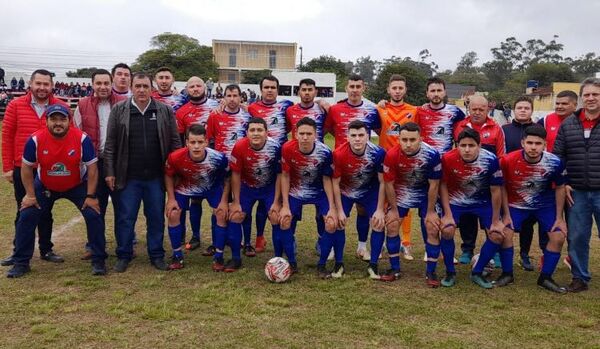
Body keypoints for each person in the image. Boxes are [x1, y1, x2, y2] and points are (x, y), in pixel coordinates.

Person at [7, 104, 108, 278]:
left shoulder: (82, 139)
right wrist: (30, 195)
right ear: (46, 121)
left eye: (62, 119)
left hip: (76, 184)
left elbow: (92, 169)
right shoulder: (35, 139)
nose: (58, 123)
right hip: (45, 184)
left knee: (93, 213)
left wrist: (91, 196)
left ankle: (98, 259)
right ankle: (21, 262)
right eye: (53, 119)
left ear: (70, 121)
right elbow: (26, 168)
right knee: (26, 215)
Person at [104, 72, 181, 273]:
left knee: (155, 216)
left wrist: (174, 172)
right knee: (125, 217)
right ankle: (124, 254)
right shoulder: (119, 110)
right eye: (137, 86)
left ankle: (156, 254)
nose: (141, 90)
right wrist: (110, 171)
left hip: (156, 177)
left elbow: (174, 142)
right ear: (131, 86)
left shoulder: (164, 110)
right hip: (129, 177)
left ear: (151, 87)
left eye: (145, 86)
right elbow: (110, 144)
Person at [1, 69, 67, 267]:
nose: (42, 87)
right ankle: (18, 250)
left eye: (46, 84)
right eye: (38, 83)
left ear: (52, 86)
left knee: (46, 211)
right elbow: (7, 137)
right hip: (23, 167)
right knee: (24, 210)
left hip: (49, 169)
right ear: (30, 84)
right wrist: (7, 167)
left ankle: (46, 249)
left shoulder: (60, 107)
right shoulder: (15, 105)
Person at [501, 125, 568, 293]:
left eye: (538, 143)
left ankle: (545, 277)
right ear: (522, 143)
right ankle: (507, 273)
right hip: (516, 205)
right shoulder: (507, 160)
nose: (533, 147)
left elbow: (560, 188)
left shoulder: (555, 162)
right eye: (529, 142)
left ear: (544, 144)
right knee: (505, 233)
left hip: (544, 205)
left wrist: (560, 218)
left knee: (558, 236)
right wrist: (505, 214)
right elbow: (500, 187)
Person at [439, 128, 505, 289]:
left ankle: (477, 271)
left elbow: (496, 191)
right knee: (447, 230)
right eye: (462, 145)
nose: (467, 149)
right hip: (456, 202)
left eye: (471, 145)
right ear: (457, 145)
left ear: (479, 145)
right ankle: (450, 272)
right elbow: (443, 186)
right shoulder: (447, 158)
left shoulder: (490, 160)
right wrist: (447, 213)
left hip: (482, 203)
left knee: (497, 235)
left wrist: (496, 220)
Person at [325, 74, 380, 261]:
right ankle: (333, 248)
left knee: (363, 210)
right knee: (337, 212)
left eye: (358, 86)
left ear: (363, 88)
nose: (355, 89)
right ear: (346, 88)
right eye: (352, 86)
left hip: (365, 169)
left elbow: (381, 131)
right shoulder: (335, 109)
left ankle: (362, 246)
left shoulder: (373, 110)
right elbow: (328, 130)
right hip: (342, 166)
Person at [553, 77, 600, 293]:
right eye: (587, 95)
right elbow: (558, 157)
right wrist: (565, 183)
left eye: (595, 94)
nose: (591, 98)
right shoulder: (569, 123)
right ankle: (579, 277)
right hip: (577, 191)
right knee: (577, 236)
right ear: (582, 98)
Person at [74, 69, 126, 260]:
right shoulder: (82, 105)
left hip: (117, 164)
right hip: (94, 164)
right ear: (92, 84)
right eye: (99, 83)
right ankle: (94, 246)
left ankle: (124, 246)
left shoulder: (122, 104)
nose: (103, 87)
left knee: (122, 208)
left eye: (106, 83)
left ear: (111, 83)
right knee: (96, 208)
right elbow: (76, 134)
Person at [164, 124, 231, 271]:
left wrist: (224, 201)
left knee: (221, 213)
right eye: (192, 142)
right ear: (186, 142)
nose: (196, 146)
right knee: (173, 213)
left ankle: (219, 257)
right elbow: (168, 176)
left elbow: (227, 179)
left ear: (206, 142)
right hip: (186, 187)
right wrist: (171, 199)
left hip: (211, 188)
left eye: (200, 142)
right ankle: (177, 256)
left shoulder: (219, 158)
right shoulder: (175, 157)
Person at [383, 122, 442, 285]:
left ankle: (431, 272)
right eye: (404, 140)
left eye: (412, 140)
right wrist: (394, 210)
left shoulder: (431, 154)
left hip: (424, 193)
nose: (408, 144)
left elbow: (434, 185)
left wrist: (430, 211)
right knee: (393, 224)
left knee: (432, 227)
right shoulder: (391, 155)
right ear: (399, 139)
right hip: (402, 192)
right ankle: (394, 268)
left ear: (420, 139)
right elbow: (389, 184)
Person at [279, 117, 337, 275]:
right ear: (295, 134)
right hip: (296, 191)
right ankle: (291, 263)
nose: (305, 137)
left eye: (308, 133)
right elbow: (285, 176)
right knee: (284, 221)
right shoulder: (287, 148)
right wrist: (284, 205)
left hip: (318, 192)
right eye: (301, 133)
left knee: (331, 223)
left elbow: (327, 179)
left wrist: (332, 207)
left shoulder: (325, 152)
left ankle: (322, 265)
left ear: (315, 134)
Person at [453, 95, 505, 265]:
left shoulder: (496, 128)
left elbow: (501, 157)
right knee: (467, 218)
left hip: (488, 184)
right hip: (465, 183)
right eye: (474, 109)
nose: (477, 112)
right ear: (469, 108)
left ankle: (495, 251)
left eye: (481, 109)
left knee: (490, 218)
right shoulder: (460, 126)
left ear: (488, 109)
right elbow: (456, 153)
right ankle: (467, 249)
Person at [331, 120, 386, 279]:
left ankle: (374, 265)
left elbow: (383, 182)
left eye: (361, 135)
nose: (357, 139)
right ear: (347, 137)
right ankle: (339, 263)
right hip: (346, 191)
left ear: (368, 136)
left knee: (378, 223)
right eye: (353, 135)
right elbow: (335, 182)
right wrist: (339, 210)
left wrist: (380, 209)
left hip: (369, 191)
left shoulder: (378, 153)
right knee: (338, 222)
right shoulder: (339, 153)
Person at [247, 76, 293, 255]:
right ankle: (257, 236)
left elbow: (293, 123)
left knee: (275, 201)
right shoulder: (252, 108)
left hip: (279, 159)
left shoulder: (286, 106)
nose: (269, 90)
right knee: (258, 200)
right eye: (266, 87)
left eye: (273, 87)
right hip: (258, 159)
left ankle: (283, 237)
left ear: (278, 90)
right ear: (260, 90)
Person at [229, 118, 282, 269]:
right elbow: (236, 174)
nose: (256, 133)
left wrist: (277, 201)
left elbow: (280, 174)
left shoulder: (275, 147)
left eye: (260, 130)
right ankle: (235, 258)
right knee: (236, 215)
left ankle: (279, 259)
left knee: (275, 216)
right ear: (247, 133)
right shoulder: (239, 146)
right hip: (247, 188)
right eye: (252, 130)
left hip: (268, 188)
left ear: (267, 133)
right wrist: (236, 201)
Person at [174, 76, 220, 252]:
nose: (195, 88)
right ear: (187, 89)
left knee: (217, 203)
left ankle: (217, 240)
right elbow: (179, 138)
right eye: (191, 86)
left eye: (198, 85)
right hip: (192, 161)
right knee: (195, 200)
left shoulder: (217, 106)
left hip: (213, 161)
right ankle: (195, 236)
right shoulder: (181, 112)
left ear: (205, 87)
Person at [377, 74, 419, 260]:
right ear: (388, 90)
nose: (397, 91)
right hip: (386, 162)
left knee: (405, 201)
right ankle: (388, 239)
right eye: (394, 88)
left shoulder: (414, 110)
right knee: (385, 200)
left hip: (407, 163)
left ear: (405, 90)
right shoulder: (379, 109)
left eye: (400, 88)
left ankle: (406, 242)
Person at [502, 96, 544, 271]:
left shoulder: (538, 130)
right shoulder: (504, 129)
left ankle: (524, 255)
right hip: (509, 181)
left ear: (531, 110)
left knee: (528, 221)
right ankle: (502, 254)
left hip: (531, 182)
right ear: (514, 110)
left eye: (527, 108)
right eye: (519, 107)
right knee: (506, 220)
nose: (523, 110)